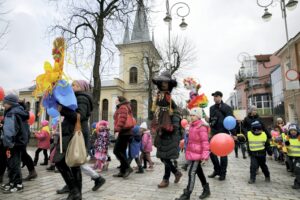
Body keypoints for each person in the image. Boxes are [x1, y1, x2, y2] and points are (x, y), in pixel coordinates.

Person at [54, 80, 105, 200]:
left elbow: (79, 116)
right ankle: (76, 193)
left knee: (60, 161)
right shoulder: (75, 97)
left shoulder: (82, 98)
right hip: (71, 132)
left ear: (81, 87)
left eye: (74, 85)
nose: (71, 86)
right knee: (74, 164)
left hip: (74, 133)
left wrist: (63, 110)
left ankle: (74, 190)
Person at [151, 71, 182, 188]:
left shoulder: (170, 102)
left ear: (169, 84)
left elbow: (176, 114)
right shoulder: (160, 100)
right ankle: (176, 173)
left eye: (166, 82)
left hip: (170, 133)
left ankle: (166, 179)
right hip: (162, 132)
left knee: (166, 157)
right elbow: (157, 114)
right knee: (162, 157)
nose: (163, 84)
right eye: (162, 81)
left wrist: (174, 126)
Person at [175, 107, 210, 200]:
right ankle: (206, 189)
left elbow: (205, 142)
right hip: (192, 153)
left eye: (193, 115)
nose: (191, 117)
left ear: (198, 116)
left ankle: (187, 194)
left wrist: (205, 156)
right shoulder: (191, 126)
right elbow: (189, 140)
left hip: (198, 155)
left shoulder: (201, 127)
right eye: (190, 115)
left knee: (191, 172)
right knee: (199, 172)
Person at [0, 94, 30, 193]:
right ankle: (12, 182)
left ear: (10, 103)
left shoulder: (11, 113)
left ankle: (17, 185)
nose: (3, 105)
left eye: (5, 103)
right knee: (13, 163)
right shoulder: (19, 111)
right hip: (19, 142)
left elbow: (9, 131)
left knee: (13, 164)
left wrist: (8, 144)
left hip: (13, 143)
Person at [207, 91, 233, 181]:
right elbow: (211, 120)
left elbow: (230, 120)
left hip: (223, 133)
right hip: (214, 132)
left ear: (221, 97)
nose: (215, 98)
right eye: (214, 96)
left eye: (216, 96)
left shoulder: (227, 107)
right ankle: (217, 170)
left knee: (223, 154)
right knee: (211, 152)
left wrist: (234, 134)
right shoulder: (211, 108)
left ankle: (223, 173)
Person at [113, 96, 135, 178]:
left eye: (116, 99)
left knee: (117, 151)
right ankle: (122, 171)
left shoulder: (122, 107)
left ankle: (128, 168)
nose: (115, 100)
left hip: (124, 132)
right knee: (121, 151)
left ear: (119, 100)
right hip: (126, 132)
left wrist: (117, 130)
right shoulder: (125, 106)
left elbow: (122, 119)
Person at [284, 123, 300, 189]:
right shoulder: (287, 138)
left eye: (294, 130)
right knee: (294, 170)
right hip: (290, 157)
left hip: (299, 157)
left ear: (297, 131)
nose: (293, 132)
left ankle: (297, 184)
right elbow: (286, 146)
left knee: (297, 170)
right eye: (291, 130)